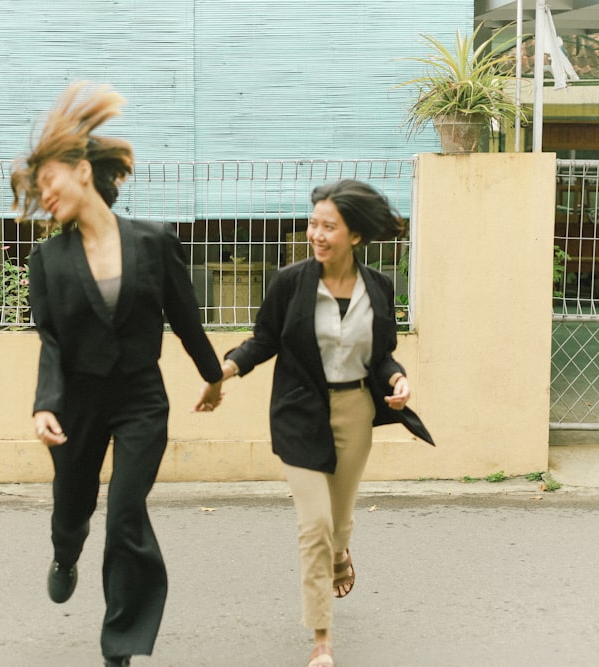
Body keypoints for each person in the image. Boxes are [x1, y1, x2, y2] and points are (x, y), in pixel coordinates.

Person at [11, 81, 224, 667]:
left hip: (139, 399)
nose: (43, 194)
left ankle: (120, 647)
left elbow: (183, 313)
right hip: (76, 400)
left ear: (81, 170)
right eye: (36, 189)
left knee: (126, 514)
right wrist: (44, 405)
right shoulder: (46, 260)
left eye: (48, 180)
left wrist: (214, 375)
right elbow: (50, 340)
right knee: (73, 506)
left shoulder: (153, 242)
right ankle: (64, 551)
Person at [202, 179, 434, 667]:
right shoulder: (291, 282)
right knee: (315, 525)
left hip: (356, 410)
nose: (317, 234)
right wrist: (223, 372)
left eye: (329, 226)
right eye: (313, 224)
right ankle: (322, 639)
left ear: (355, 235)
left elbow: (382, 356)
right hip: (299, 411)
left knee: (340, 520)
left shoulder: (378, 287)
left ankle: (341, 554)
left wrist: (398, 381)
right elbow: (263, 339)